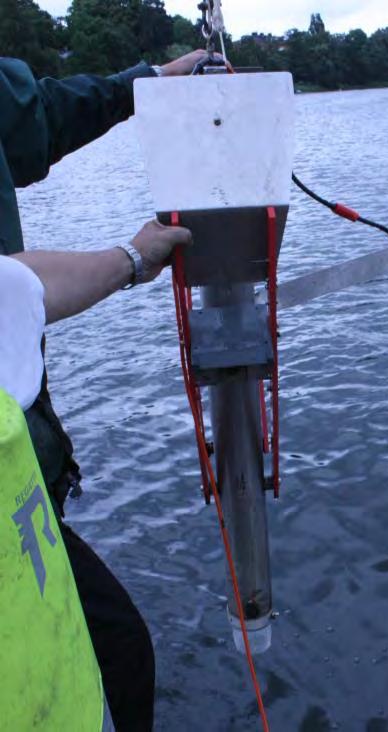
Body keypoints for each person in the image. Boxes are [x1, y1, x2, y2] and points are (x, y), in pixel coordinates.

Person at [0, 52, 210, 730]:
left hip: (20, 480)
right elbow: (15, 290)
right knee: (114, 652)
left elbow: (33, 116)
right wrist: (130, 258)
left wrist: (140, 83)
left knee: (115, 648)